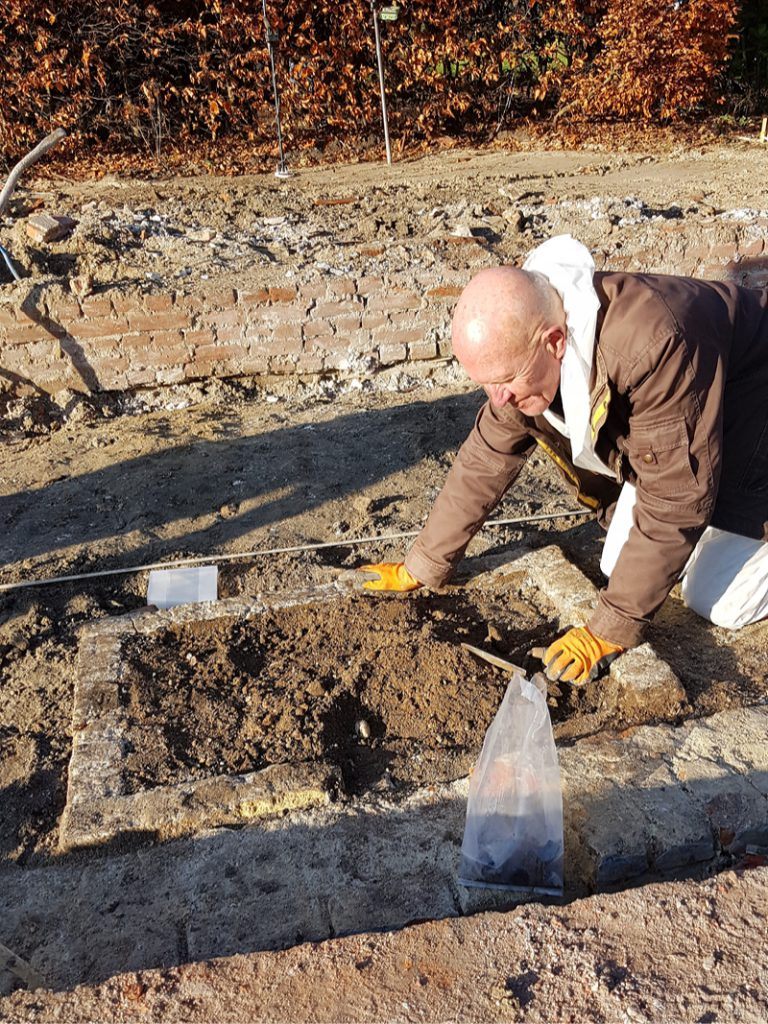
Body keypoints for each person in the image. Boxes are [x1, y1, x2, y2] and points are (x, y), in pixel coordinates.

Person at [359, 235, 768, 684]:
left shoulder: (653, 345)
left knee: (717, 601)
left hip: (757, 431)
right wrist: (422, 565)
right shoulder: (528, 351)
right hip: (707, 433)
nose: (500, 398)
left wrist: (605, 631)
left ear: (553, 341)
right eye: (487, 384)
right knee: (621, 566)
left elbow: (676, 497)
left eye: (506, 381)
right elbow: (486, 457)